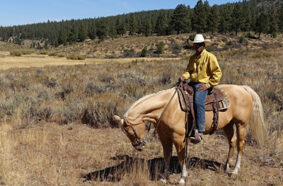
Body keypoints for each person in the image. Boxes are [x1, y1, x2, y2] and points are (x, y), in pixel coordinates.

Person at [179, 34, 222, 143]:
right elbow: (189, 71)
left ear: (203, 45)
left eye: (198, 45)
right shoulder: (192, 58)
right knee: (180, 96)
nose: (196, 47)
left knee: (198, 102)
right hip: (192, 83)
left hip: (203, 84)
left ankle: (200, 130)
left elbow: (217, 73)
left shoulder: (210, 57)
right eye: (195, 45)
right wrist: (184, 76)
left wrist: (208, 84)